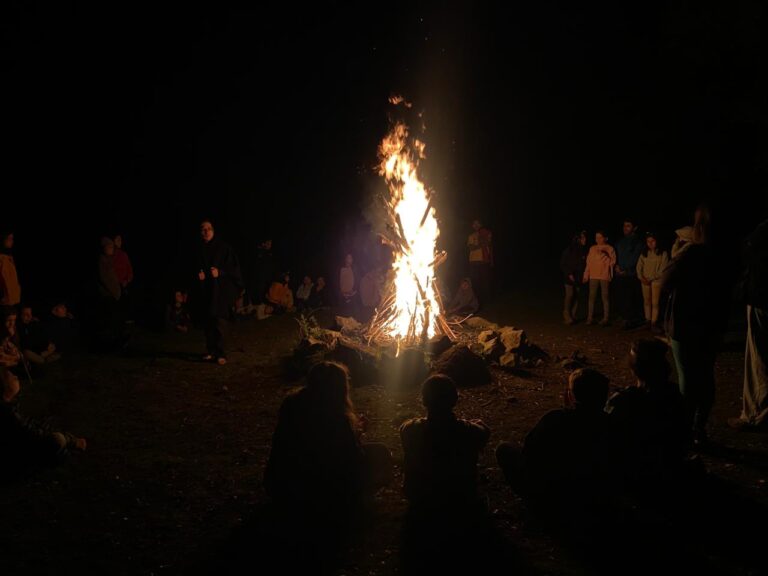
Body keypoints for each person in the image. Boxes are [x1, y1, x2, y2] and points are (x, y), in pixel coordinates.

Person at [264, 361, 392, 513]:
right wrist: (356, 433)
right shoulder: (337, 417)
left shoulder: (291, 403)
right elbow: (351, 458)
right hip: (315, 492)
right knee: (380, 452)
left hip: (279, 484)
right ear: (340, 388)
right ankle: (360, 499)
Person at [496, 368, 614, 529]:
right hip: (593, 497)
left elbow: (529, 453)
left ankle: (536, 504)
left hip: (553, 496)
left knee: (504, 449)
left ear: (570, 395)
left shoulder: (555, 419)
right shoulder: (612, 425)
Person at [661, 203, 729, 446]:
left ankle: (686, 429)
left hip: (685, 323)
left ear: (699, 227)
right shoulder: (724, 255)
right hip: (712, 324)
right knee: (706, 375)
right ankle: (699, 426)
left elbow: (666, 279)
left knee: (687, 379)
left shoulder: (692, 254)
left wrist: (678, 254)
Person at [400, 374, 490, 511]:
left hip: (420, 496)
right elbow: (485, 432)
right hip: (458, 497)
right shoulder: (467, 431)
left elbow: (404, 429)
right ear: (455, 400)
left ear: (423, 401)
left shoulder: (410, 429)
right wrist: (475, 424)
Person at [606, 339, 688, 490]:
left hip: (635, 475)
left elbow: (605, 436)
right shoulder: (674, 395)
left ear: (634, 368)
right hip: (669, 472)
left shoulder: (624, 401)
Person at [0, 368, 86, 471]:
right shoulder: (9, 415)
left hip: (19, 444)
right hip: (19, 453)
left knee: (47, 431)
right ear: (5, 389)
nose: (16, 377)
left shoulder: (8, 405)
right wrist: (69, 440)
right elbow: (32, 434)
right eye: (12, 378)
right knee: (57, 439)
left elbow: (28, 424)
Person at [729, 218, 768, 431]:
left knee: (758, 358)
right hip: (761, 297)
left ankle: (755, 414)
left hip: (761, 299)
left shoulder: (762, 232)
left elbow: (748, 251)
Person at [197, 220, 243, 365]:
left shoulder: (223, 248)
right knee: (208, 322)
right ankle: (211, 351)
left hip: (220, 292)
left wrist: (220, 272)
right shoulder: (199, 250)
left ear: (213, 230)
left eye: (209, 228)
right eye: (203, 229)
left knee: (220, 322)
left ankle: (221, 353)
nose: (206, 231)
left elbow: (234, 269)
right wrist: (200, 276)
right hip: (206, 291)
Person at [614, 219, 644, 328]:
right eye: (624, 225)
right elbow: (615, 255)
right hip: (620, 274)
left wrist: (625, 268)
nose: (625, 228)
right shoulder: (620, 241)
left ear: (634, 228)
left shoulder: (638, 242)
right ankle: (624, 317)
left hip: (631, 274)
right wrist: (616, 266)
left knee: (631, 297)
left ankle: (631, 320)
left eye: (628, 226)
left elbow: (635, 258)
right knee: (621, 296)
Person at [636, 232, 669, 331]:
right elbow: (639, 266)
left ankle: (654, 323)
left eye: (652, 241)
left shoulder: (663, 253)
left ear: (657, 241)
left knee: (655, 303)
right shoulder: (644, 253)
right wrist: (641, 277)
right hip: (645, 281)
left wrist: (651, 278)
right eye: (648, 241)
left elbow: (663, 269)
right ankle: (647, 321)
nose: (650, 243)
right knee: (646, 301)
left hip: (656, 281)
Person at [583, 230, 616, 326]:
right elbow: (588, 263)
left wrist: (607, 255)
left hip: (604, 276)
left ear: (605, 238)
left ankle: (606, 318)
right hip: (593, 276)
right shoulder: (592, 248)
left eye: (600, 237)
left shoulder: (609, 248)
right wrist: (586, 275)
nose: (598, 239)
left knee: (605, 297)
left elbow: (613, 262)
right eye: (596, 237)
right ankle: (590, 318)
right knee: (591, 297)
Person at [96, 236, 123, 348]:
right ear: (104, 248)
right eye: (110, 247)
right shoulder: (101, 260)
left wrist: (117, 247)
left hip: (113, 295)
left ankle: (115, 340)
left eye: (112, 247)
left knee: (114, 319)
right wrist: (114, 292)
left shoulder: (108, 259)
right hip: (107, 295)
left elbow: (114, 256)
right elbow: (104, 279)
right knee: (109, 320)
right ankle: (108, 343)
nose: (111, 249)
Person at [560, 230, 588, 324]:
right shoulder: (569, 250)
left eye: (585, 237)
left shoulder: (584, 250)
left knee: (577, 296)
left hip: (579, 277)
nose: (585, 239)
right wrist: (569, 273)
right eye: (583, 238)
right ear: (578, 239)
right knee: (570, 295)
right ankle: (566, 314)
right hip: (569, 277)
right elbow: (563, 263)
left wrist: (585, 274)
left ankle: (573, 315)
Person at [467, 219, 493, 307]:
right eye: (474, 224)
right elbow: (471, 248)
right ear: (472, 226)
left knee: (485, 282)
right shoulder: (471, 236)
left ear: (481, 224)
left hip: (484, 261)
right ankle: (476, 301)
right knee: (475, 282)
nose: (476, 225)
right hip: (474, 261)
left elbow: (489, 245)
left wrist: (491, 260)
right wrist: (481, 244)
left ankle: (487, 301)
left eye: (478, 224)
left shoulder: (486, 233)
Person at [113, 234, 135, 322]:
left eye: (120, 240)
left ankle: (125, 319)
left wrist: (127, 279)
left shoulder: (123, 254)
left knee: (125, 302)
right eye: (117, 239)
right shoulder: (111, 255)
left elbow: (129, 268)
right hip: (114, 284)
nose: (119, 242)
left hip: (124, 283)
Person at [0, 230, 21, 307]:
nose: (11, 241)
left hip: (12, 299)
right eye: (9, 238)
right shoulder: (2, 258)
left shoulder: (9, 257)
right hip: (5, 300)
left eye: (12, 238)